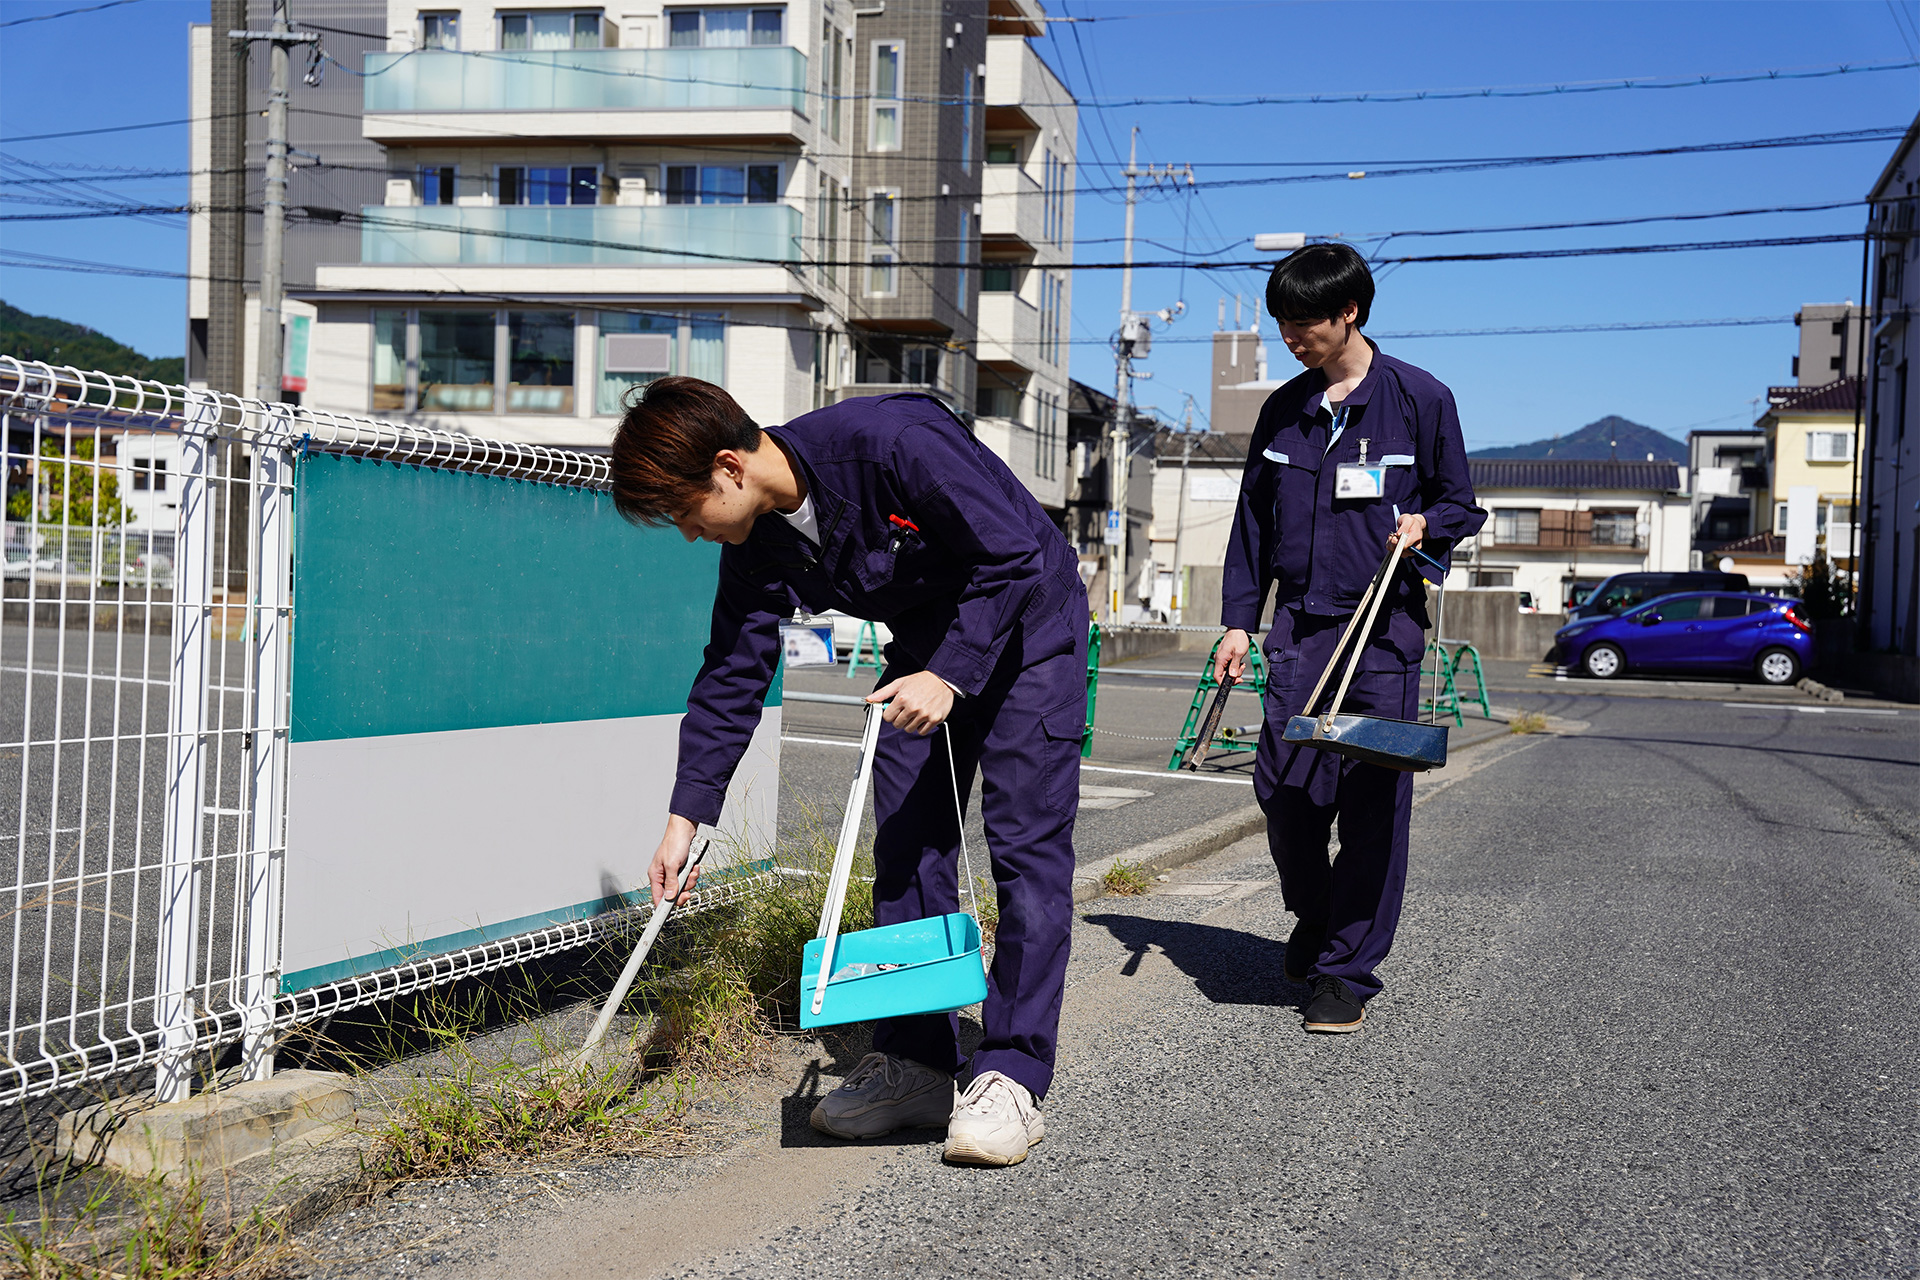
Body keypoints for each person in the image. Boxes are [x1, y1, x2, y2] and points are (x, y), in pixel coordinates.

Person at [611, 377, 1085, 1167]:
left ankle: (1011, 1071)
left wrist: (953, 673)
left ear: (728, 467)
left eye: (685, 512)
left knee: (1026, 851)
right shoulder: (758, 536)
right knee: (905, 850)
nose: (690, 534)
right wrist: (686, 818)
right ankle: (919, 1063)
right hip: (925, 652)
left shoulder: (891, 443)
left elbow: (1014, 555)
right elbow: (733, 670)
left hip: (1033, 632)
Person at [1216, 244, 1485, 1033]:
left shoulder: (1419, 399)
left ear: (1350, 314)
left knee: (1371, 803)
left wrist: (1428, 522)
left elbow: (1460, 502)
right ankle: (1322, 913)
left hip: (1384, 633)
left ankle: (1346, 974)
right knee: (1287, 793)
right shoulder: (1284, 410)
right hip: (1299, 629)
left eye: (1303, 323)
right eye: (1282, 323)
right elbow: (1252, 526)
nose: (1290, 337)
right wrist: (1241, 620)